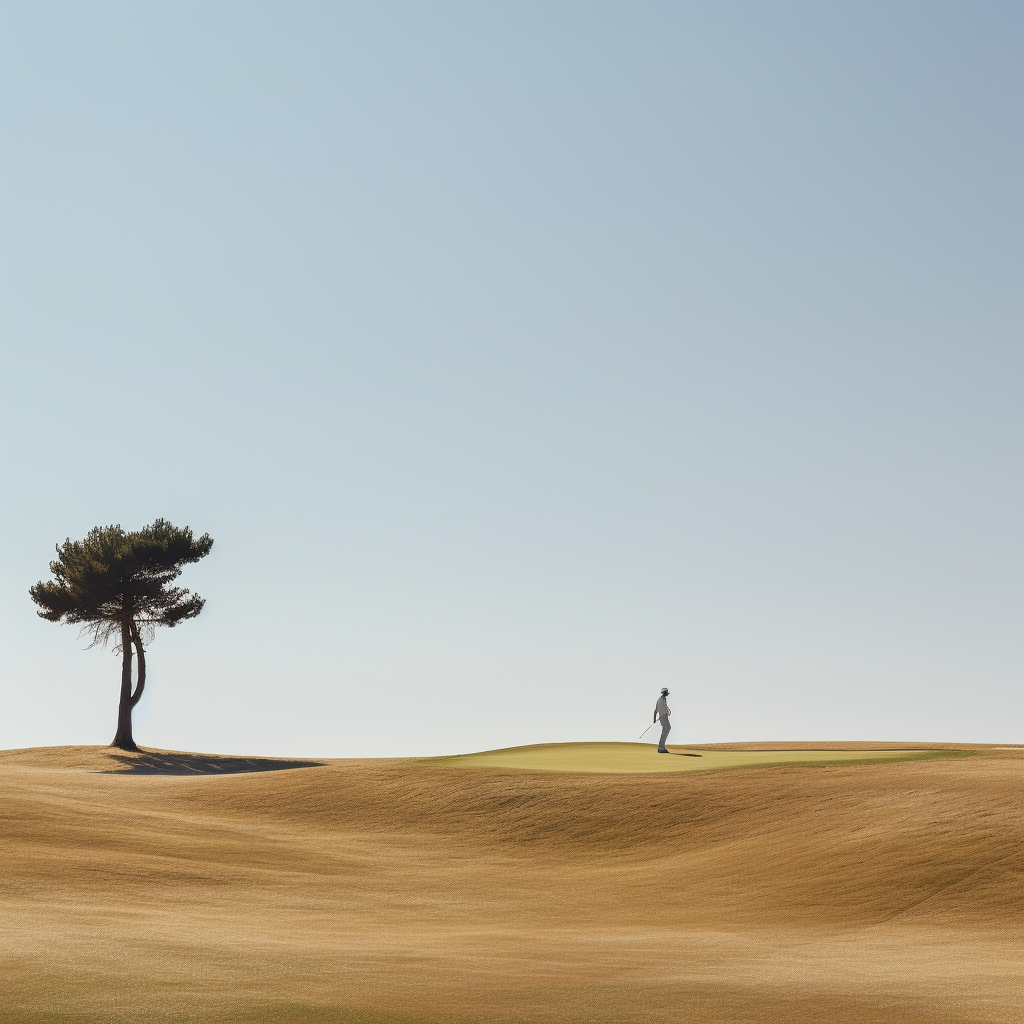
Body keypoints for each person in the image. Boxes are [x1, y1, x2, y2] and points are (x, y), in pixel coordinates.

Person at [654, 687, 671, 753]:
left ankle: (661, 747)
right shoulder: (660, 700)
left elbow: (656, 710)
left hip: (664, 717)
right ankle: (661, 748)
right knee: (667, 729)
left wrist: (655, 719)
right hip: (663, 717)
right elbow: (655, 710)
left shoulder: (663, 699)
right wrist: (654, 719)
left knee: (667, 729)